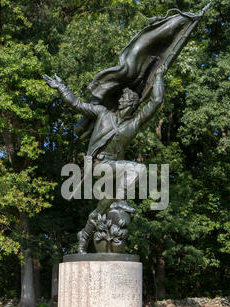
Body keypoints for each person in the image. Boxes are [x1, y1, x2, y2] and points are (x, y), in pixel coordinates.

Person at [43, 64, 166, 253]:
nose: (121, 101)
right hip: (98, 165)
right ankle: (119, 198)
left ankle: (84, 235)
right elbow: (77, 104)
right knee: (138, 169)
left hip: (114, 169)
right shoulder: (103, 114)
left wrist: (158, 76)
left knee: (103, 206)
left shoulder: (134, 124)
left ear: (130, 104)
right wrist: (61, 88)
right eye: (122, 98)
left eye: (125, 99)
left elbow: (156, 101)